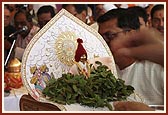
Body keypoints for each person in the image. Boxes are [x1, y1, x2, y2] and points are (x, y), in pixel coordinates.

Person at [97, 8, 164, 107]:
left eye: (109, 36)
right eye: (100, 38)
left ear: (131, 34)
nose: (103, 44)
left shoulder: (158, 67)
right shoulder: (100, 68)